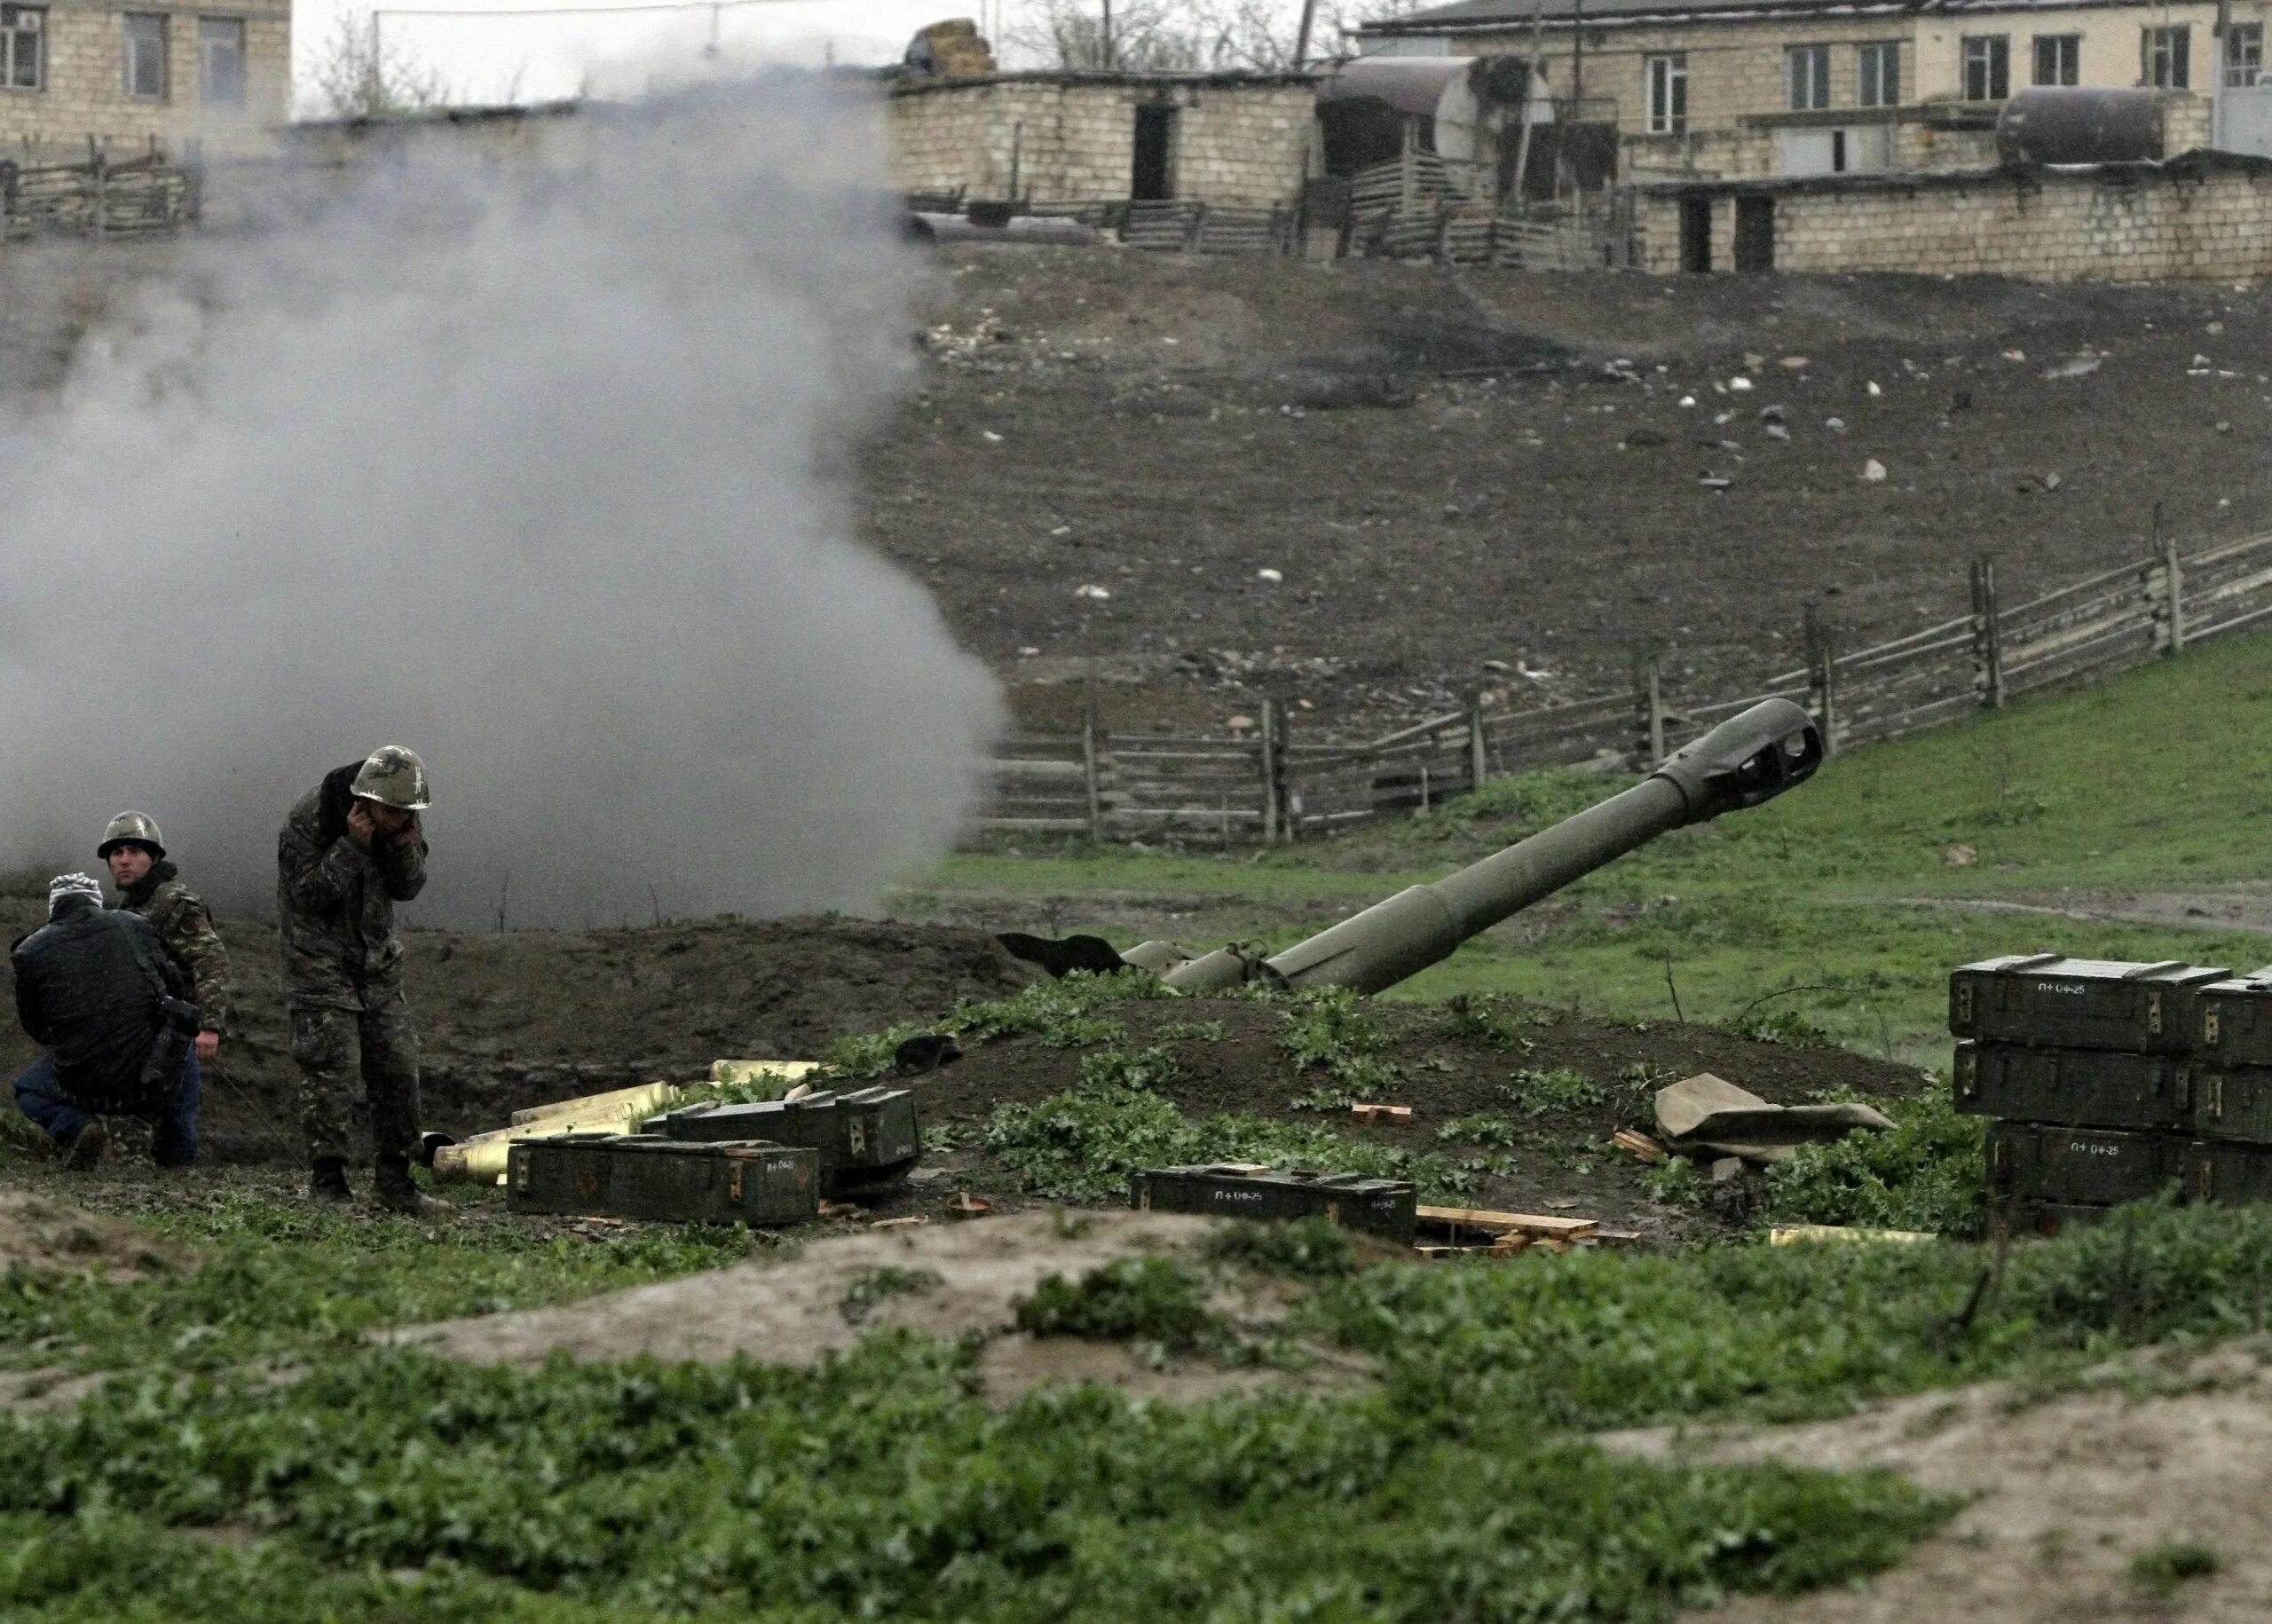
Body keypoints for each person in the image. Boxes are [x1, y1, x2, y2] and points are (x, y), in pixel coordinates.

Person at [276, 745, 444, 1212]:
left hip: (378, 962)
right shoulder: (311, 817)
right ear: (366, 800)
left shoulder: (402, 818)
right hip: (319, 962)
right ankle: (328, 1184)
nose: (400, 818)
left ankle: (396, 1182)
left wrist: (401, 845)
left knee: (397, 1066)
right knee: (332, 1070)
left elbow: (408, 887)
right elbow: (306, 894)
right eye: (392, 811)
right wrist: (351, 846)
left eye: (408, 812)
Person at [10, 872, 202, 1170]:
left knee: (28, 1088)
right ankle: (179, 1158)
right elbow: (175, 988)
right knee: (182, 1041)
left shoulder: (29, 952)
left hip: (85, 1086)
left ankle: (76, 1126)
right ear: (96, 902)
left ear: (54, 908)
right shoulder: (133, 924)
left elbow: (34, 1027)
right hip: (152, 1081)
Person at [97, 811, 232, 1067]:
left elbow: (211, 959)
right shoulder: (132, 903)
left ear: (154, 858)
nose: (124, 860)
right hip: (144, 1030)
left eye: (135, 852)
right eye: (117, 853)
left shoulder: (174, 902)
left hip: (176, 1034)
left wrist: (210, 1026)